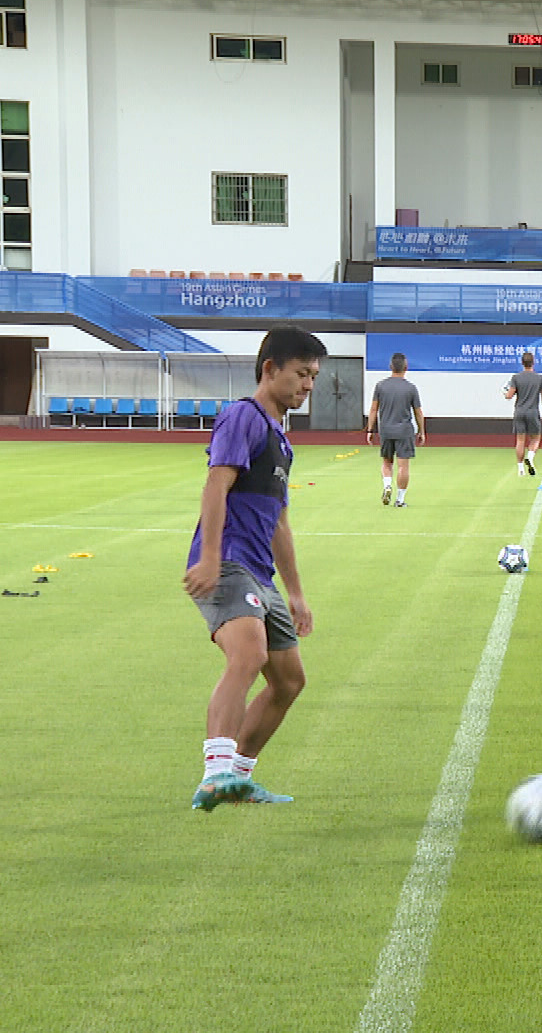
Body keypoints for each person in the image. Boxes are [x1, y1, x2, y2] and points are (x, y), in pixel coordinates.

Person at [182, 326, 329, 809]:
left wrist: (297, 592)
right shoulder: (242, 416)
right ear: (270, 369)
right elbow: (215, 487)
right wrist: (208, 557)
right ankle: (214, 774)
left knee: (289, 681)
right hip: (227, 564)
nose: (308, 386)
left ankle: (238, 777)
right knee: (248, 657)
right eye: (302, 374)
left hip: (259, 573)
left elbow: (279, 523)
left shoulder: (281, 439)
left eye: (313, 377)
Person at [366, 353, 426, 507]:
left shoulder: (380, 386)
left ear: (390, 367)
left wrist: (370, 430)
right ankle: (400, 499)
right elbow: (418, 411)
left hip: (386, 429)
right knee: (403, 466)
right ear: (406, 367)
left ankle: (387, 485)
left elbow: (373, 409)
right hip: (404, 431)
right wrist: (421, 431)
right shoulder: (411, 388)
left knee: (387, 462)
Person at [505, 352, 542, 476]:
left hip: (519, 411)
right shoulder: (539, 378)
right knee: (535, 438)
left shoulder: (516, 377)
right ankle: (530, 457)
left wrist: (504, 392)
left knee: (520, 440)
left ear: (522, 363)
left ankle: (520, 468)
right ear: (533, 363)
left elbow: (509, 396)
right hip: (533, 412)